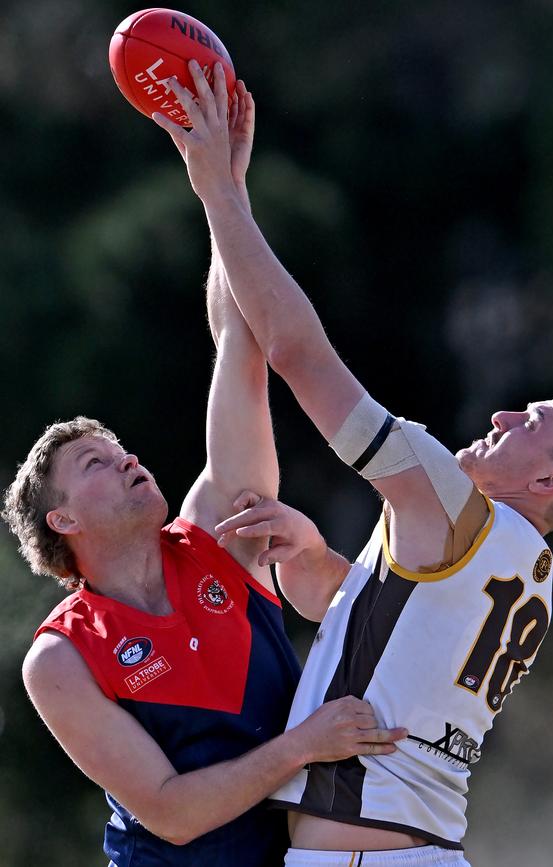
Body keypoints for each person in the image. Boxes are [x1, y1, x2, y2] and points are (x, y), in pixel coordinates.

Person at [152, 62, 553, 867]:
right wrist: (320, 565)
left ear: (552, 479)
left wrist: (218, 191)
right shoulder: (527, 567)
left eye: (533, 421)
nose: (504, 414)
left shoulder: (451, 503)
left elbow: (295, 352)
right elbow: (381, 629)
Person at [1, 79, 406, 867]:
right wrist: (301, 746)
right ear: (63, 521)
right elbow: (173, 813)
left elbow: (241, 345)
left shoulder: (218, 532)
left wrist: (224, 190)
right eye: (96, 462)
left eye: (121, 448)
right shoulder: (60, 658)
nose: (128, 458)